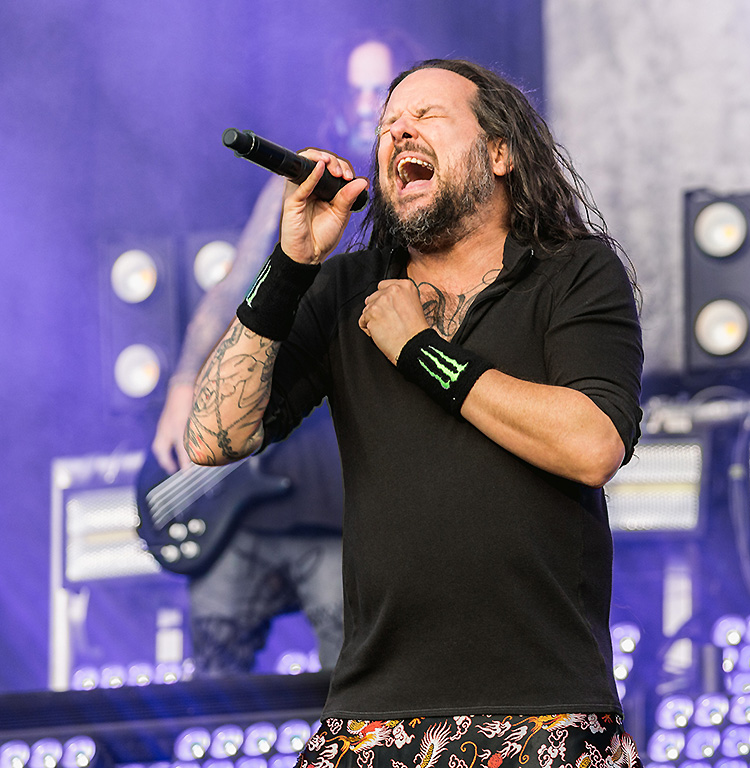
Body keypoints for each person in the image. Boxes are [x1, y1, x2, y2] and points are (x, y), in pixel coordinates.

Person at [185, 59, 645, 767]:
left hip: (543, 710)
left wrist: (421, 350)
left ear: (500, 152)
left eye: (426, 116)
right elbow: (214, 435)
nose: (398, 131)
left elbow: (592, 444)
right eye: (387, 126)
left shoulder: (572, 272)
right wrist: (291, 263)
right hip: (373, 717)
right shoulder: (346, 289)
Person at [151, 36, 412, 677]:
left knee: (344, 680)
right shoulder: (309, 180)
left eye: (378, 90)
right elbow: (234, 283)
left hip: (340, 488)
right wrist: (183, 385)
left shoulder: (413, 191)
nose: (363, 104)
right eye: (353, 89)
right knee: (215, 675)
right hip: (252, 481)